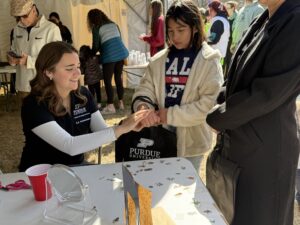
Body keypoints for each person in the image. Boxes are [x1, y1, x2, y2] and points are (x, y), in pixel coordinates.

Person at [206, 0, 300, 224]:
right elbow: (240, 73)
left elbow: (267, 92)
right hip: (245, 147)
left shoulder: (295, 20)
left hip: (266, 156)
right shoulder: (266, 17)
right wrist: (219, 97)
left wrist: (219, 117)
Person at [19, 41, 150, 172]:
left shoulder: (82, 95)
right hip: (41, 175)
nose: (77, 73)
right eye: (69, 68)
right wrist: (121, 128)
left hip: (76, 169)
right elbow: (70, 146)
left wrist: (130, 125)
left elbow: (102, 131)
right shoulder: (34, 104)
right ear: (49, 72)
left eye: (78, 66)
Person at [132, 0, 223, 174]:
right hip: (157, 138)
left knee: (184, 193)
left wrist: (171, 115)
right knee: (157, 188)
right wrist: (144, 107)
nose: (175, 37)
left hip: (191, 144)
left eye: (181, 30)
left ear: (195, 27)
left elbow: (207, 106)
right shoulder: (159, 60)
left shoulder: (208, 61)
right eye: (171, 31)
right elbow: (145, 89)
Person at [7, 0, 61, 101]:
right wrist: (12, 59)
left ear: (34, 10)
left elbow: (55, 59)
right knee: (26, 116)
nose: (22, 20)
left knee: (45, 116)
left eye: (24, 16)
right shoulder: (17, 29)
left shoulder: (51, 29)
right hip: (23, 86)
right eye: (18, 17)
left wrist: (29, 61)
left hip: (43, 86)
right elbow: (14, 49)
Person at [87, 9, 129, 114]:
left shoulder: (96, 28)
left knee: (107, 81)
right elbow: (118, 38)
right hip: (121, 53)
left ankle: (110, 106)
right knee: (118, 78)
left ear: (91, 19)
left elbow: (96, 46)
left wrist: (91, 53)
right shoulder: (113, 24)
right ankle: (121, 103)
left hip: (109, 55)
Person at [79, 45, 102, 109]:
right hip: (97, 78)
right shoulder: (95, 57)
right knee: (98, 91)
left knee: (92, 93)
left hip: (89, 80)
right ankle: (99, 104)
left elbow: (82, 71)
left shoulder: (83, 60)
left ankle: (93, 104)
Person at [223, 0, 238, 75]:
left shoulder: (237, 18)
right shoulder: (227, 18)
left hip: (233, 42)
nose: (226, 9)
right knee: (224, 61)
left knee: (230, 61)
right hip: (226, 42)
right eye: (225, 8)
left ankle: (228, 78)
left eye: (228, 8)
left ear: (233, 8)